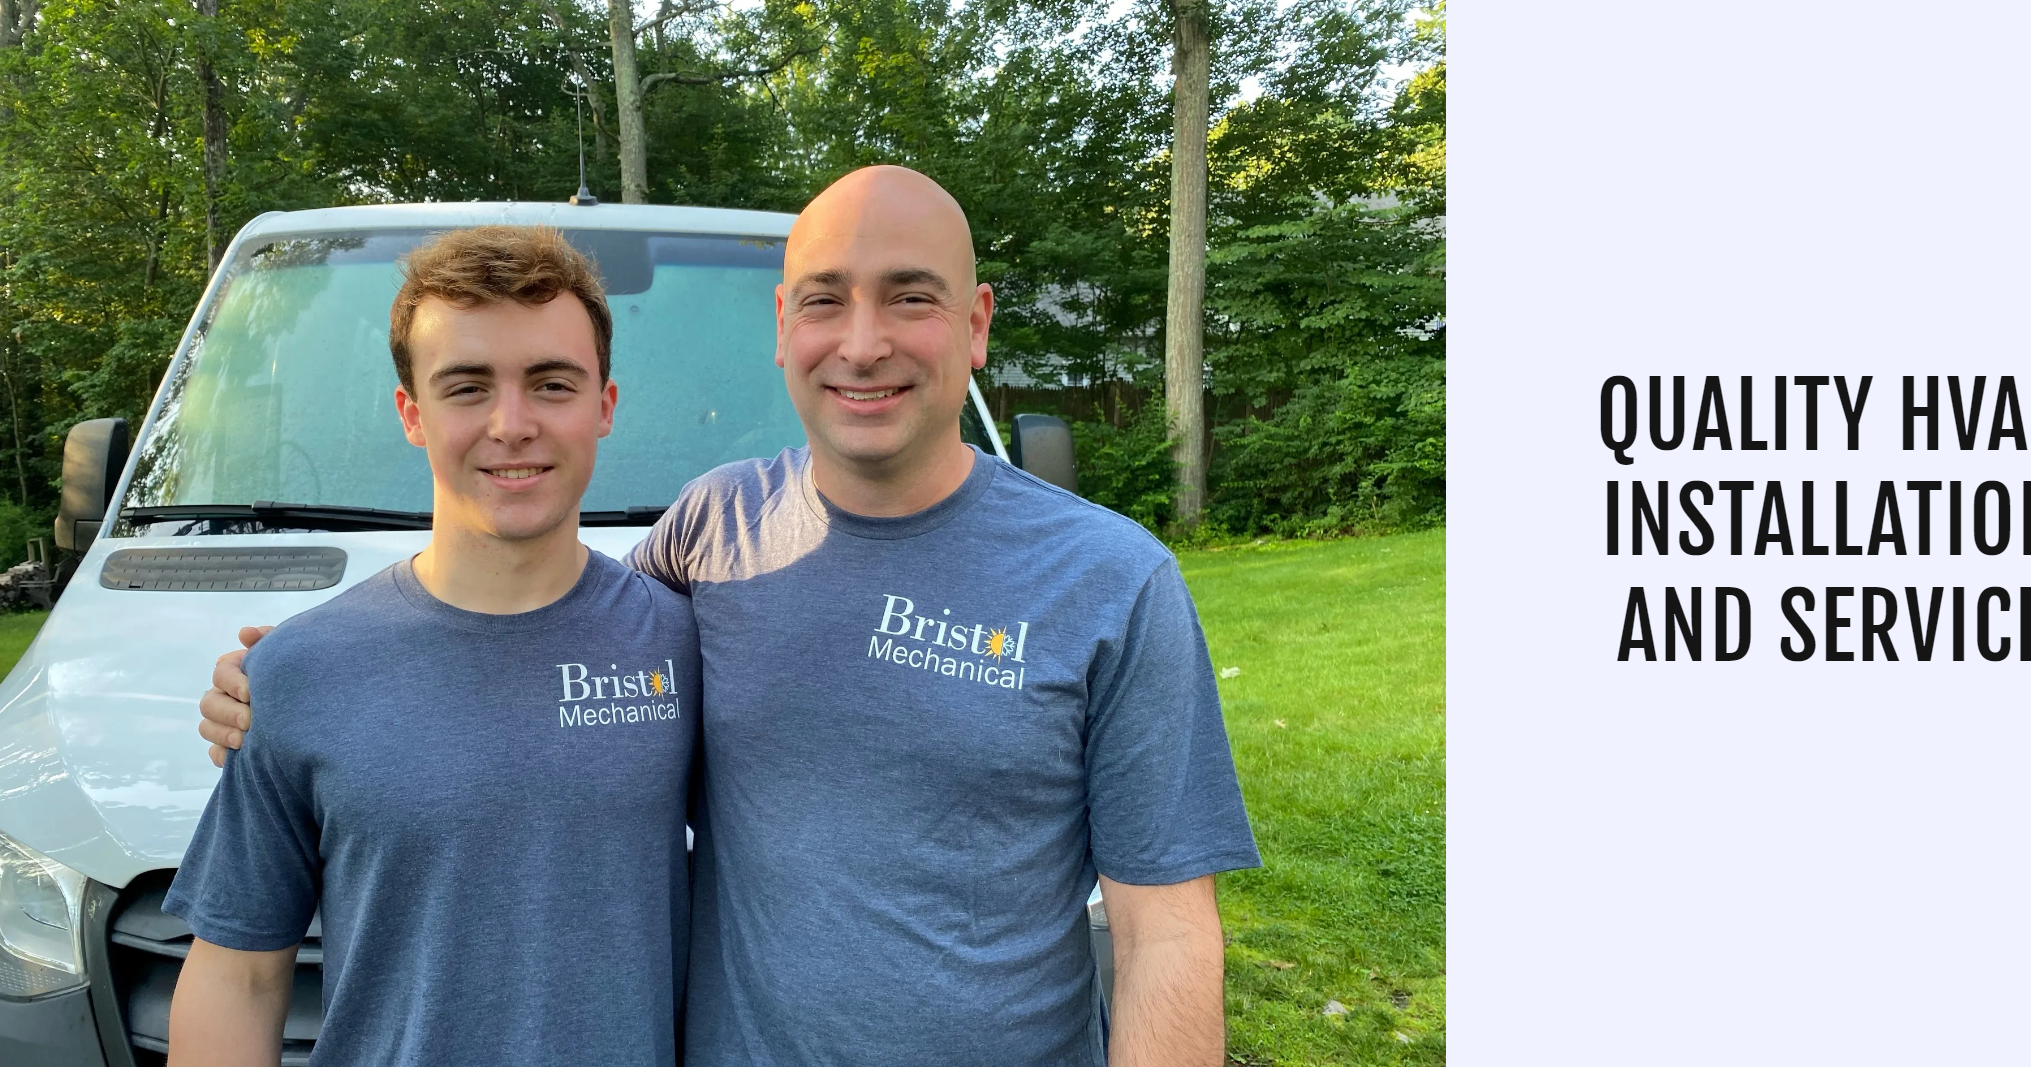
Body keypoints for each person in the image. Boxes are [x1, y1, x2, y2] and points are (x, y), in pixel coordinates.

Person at [201, 165, 1259, 1065]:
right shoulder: (713, 530)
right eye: (825, 300)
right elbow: (536, 633)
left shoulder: (1112, 579)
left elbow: (1166, 933)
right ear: (783, 326)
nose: (862, 343)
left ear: (976, 324)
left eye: (910, 297)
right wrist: (292, 682)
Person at [167, 226, 700, 1067]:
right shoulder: (299, 673)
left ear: (604, 405)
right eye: (467, 387)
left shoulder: (687, 647)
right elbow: (240, 977)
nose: (512, 424)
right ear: (412, 413)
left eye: (551, 383)